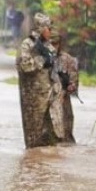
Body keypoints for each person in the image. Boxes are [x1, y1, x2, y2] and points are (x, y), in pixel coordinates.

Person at [16, 12, 64, 148]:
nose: (50, 31)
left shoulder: (48, 46)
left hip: (50, 96)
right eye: (49, 28)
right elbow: (24, 66)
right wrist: (42, 60)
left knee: (52, 137)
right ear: (41, 28)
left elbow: (55, 68)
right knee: (34, 138)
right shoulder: (27, 45)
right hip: (33, 100)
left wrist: (59, 88)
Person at [50, 32, 79, 144]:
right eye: (50, 43)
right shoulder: (40, 59)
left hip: (63, 101)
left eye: (55, 43)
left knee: (66, 135)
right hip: (45, 102)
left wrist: (70, 86)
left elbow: (74, 81)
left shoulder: (68, 59)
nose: (53, 47)